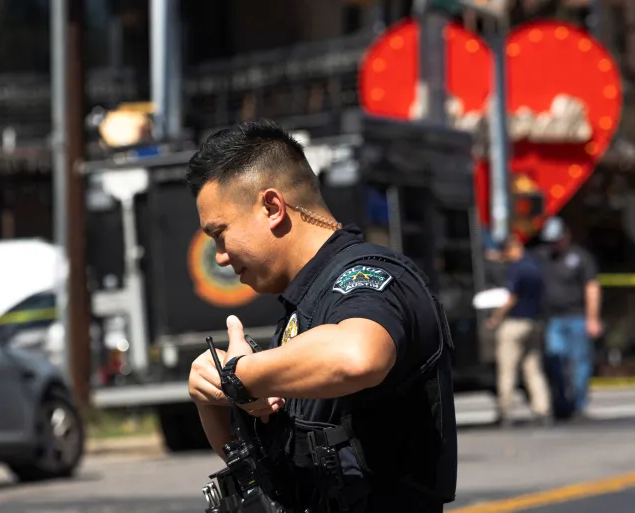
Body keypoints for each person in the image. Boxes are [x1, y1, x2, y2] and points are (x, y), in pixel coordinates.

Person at [185, 120, 457, 513]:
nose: (221, 256)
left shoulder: (370, 277)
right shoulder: (305, 306)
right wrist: (211, 394)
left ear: (272, 207)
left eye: (220, 233)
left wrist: (240, 375)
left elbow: (357, 357)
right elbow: (260, 465)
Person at [535, 217, 602, 418]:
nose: (554, 244)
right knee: (556, 361)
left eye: (557, 239)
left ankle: (579, 404)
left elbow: (592, 288)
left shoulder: (580, 258)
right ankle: (562, 404)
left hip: (577, 317)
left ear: (566, 236)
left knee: (579, 362)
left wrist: (593, 318)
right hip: (553, 319)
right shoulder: (543, 257)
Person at [486, 235, 551, 427]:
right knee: (533, 369)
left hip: (515, 323)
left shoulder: (516, 269)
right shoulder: (535, 267)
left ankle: (505, 411)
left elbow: (511, 297)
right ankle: (542, 408)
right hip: (535, 322)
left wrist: (496, 318)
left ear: (513, 248)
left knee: (507, 369)